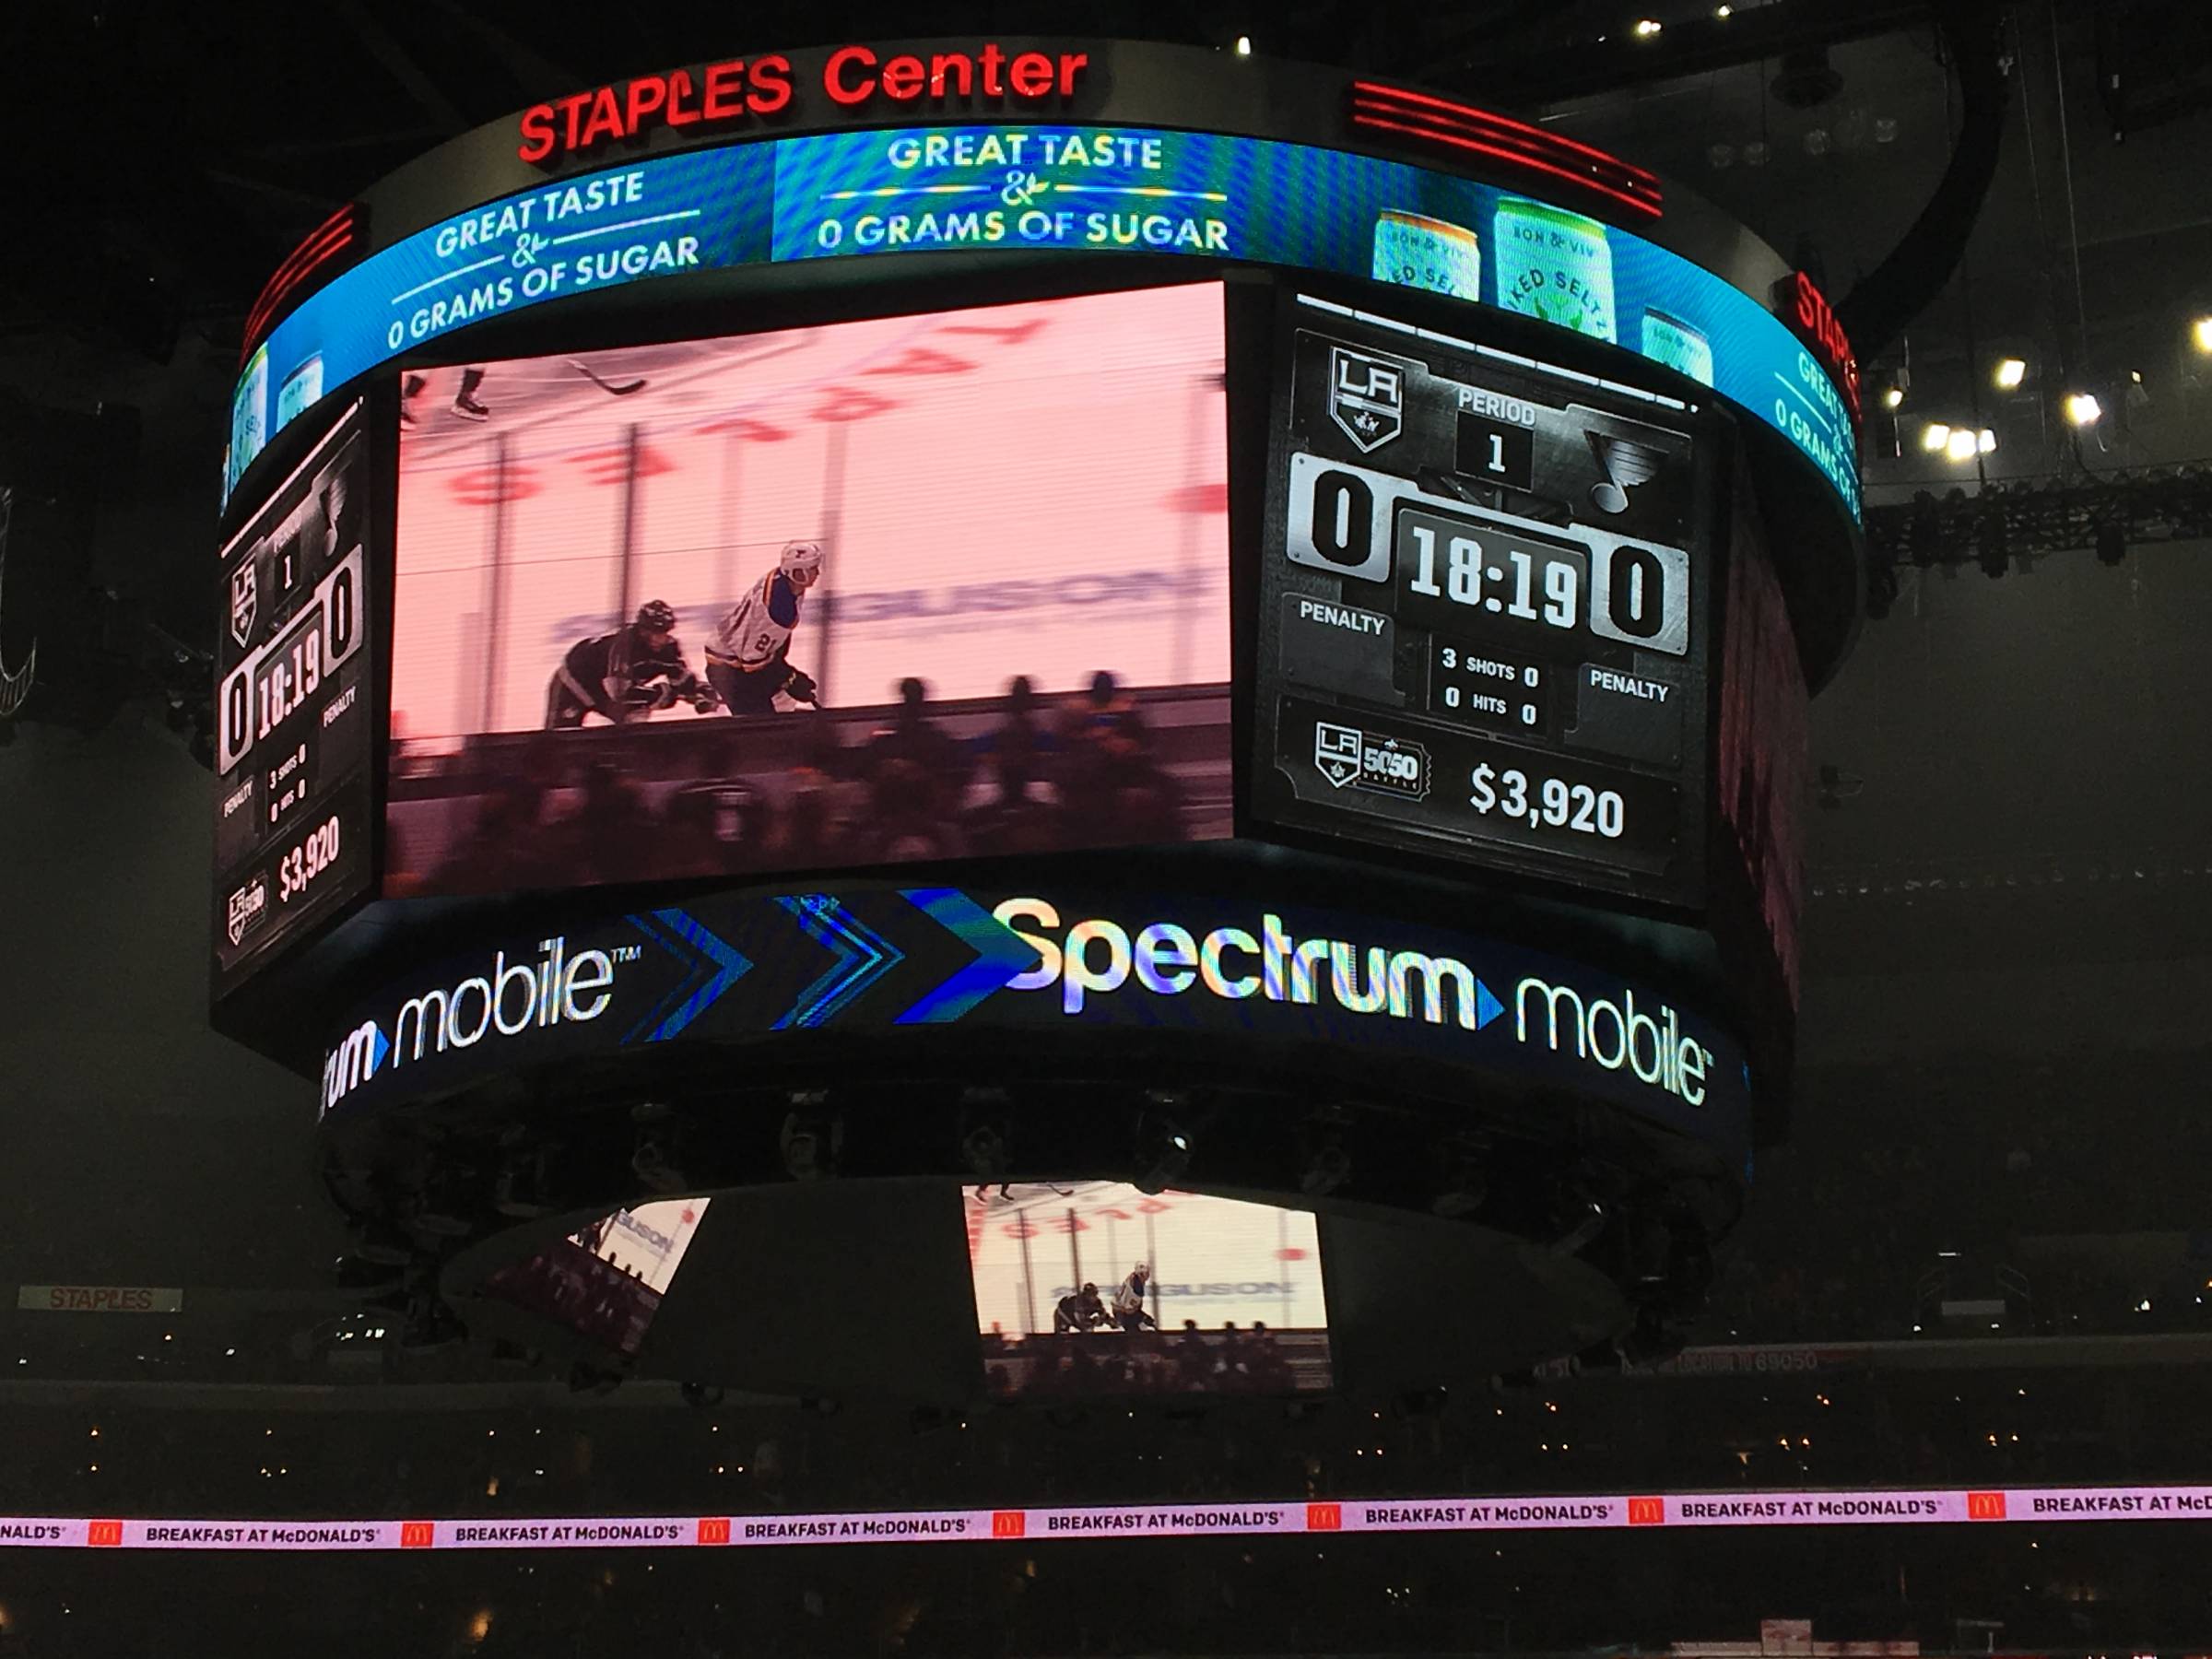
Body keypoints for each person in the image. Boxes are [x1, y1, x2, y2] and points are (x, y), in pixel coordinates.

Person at [545, 600, 715, 729]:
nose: (659, 638)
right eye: (652, 632)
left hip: (605, 692)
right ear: (641, 630)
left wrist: (701, 692)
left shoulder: (669, 648)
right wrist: (660, 695)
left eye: (663, 632)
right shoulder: (624, 646)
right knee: (560, 740)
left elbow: (681, 681)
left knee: (635, 722)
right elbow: (620, 693)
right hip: (573, 686)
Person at [707, 540, 824, 715]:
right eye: (813, 568)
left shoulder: (781, 579)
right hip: (731, 670)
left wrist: (786, 675)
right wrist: (789, 678)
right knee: (761, 727)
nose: (818, 573)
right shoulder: (779, 611)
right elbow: (752, 663)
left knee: (783, 702)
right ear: (799, 573)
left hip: (733, 655)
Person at [1113, 1263, 1158, 1333]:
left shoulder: (1133, 1278)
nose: (1148, 1276)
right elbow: (1129, 1311)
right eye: (1146, 1273)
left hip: (1122, 1310)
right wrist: (1142, 1317)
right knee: (1136, 1331)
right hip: (1123, 1313)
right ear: (1141, 1274)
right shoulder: (1136, 1286)